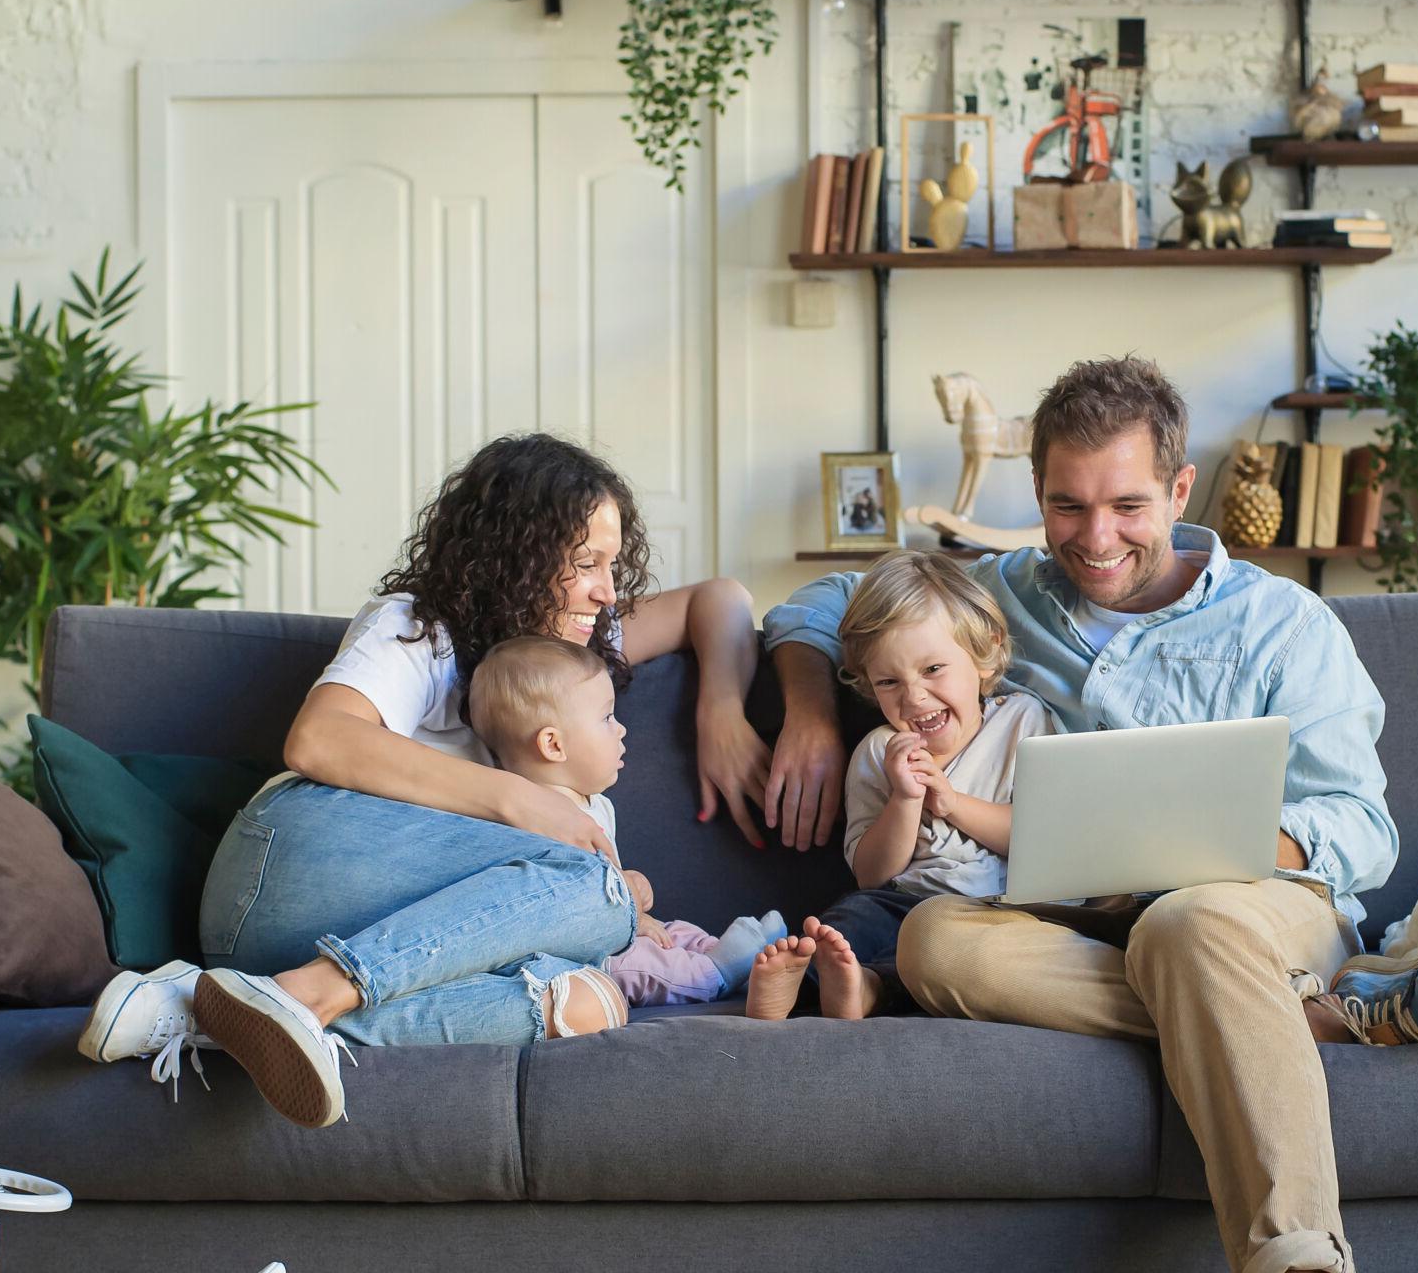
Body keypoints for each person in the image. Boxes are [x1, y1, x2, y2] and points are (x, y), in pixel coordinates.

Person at [760, 356, 1418, 1273]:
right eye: (1066, 506)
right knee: (933, 943)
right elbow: (821, 605)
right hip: (1072, 923)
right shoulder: (1000, 595)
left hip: (1249, 911)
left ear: (1179, 488)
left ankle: (1299, 1254)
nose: (1095, 536)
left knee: (1189, 921)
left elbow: (1361, 828)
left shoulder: (1285, 624)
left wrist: (1210, 850)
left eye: (1127, 505)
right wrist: (804, 714)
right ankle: (1291, 1018)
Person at [76, 432, 774, 1129]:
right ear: (517, 557)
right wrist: (525, 803)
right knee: (599, 889)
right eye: (586, 563)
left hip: (311, 940)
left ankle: (207, 1009)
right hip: (284, 868)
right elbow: (318, 740)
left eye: (612, 564)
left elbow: (718, 600)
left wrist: (721, 713)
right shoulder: (419, 628)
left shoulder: (571, 648)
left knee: (590, 996)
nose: (606, 590)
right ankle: (316, 993)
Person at [743, 550, 1055, 1022]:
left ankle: (869, 990)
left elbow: (1040, 839)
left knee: (971, 954)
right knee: (848, 923)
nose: (914, 697)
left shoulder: (1024, 722)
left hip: (999, 907)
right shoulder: (878, 751)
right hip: (903, 900)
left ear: (985, 655)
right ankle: (804, 986)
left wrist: (951, 803)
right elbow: (873, 873)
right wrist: (905, 801)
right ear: (868, 684)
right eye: (889, 681)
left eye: (933, 670)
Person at [467, 634, 787, 1007]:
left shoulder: (595, 804)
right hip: (582, 956)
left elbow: (605, 882)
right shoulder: (536, 821)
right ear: (554, 745)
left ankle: (737, 958)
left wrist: (630, 889)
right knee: (643, 964)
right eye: (607, 718)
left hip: (619, 927)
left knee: (676, 932)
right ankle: (716, 975)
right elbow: (568, 910)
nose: (621, 729)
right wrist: (628, 915)